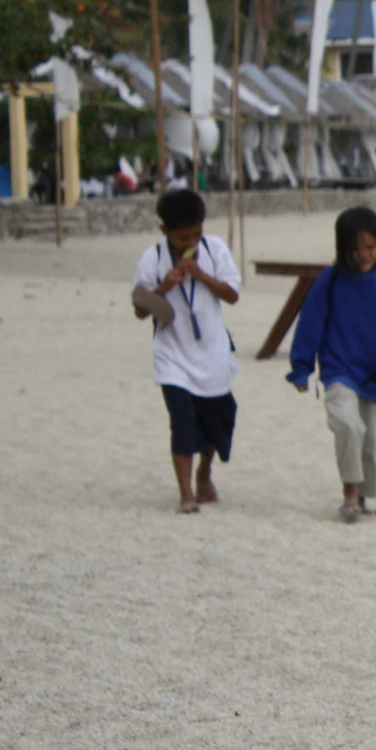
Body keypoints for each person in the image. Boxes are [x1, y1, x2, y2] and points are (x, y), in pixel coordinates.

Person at [287, 208, 376, 523]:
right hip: (337, 368)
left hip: (375, 371)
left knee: (369, 439)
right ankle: (348, 492)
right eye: (355, 248)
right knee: (348, 425)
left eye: (370, 247)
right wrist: (302, 366)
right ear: (342, 248)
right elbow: (310, 324)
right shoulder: (329, 280)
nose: (363, 255)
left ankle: (361, 495)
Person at [131, 188, 240, 514]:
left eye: (196, 233)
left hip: (213, 352)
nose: (191, 241)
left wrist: (201, 275)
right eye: (182, 237)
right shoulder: (152, 257)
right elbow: (139, 310)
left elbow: (232, 294)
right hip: (172, 354)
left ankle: (204, 474)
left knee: (219, 418)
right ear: (165, 231)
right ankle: (186, 494)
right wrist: (164, 286)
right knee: (182, 420)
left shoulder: (214, 248)